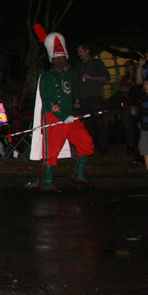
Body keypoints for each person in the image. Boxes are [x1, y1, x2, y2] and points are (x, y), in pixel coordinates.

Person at [30, 29, 94, 190]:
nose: (59, 60)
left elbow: (69, 97)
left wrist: (73, 109)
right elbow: (48, 100)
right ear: (52, 59)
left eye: (61, 57)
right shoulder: (46, 76)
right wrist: (62, 115)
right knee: (51, 151)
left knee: (86, 142)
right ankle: (47, 182)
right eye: (56, 57)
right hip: (53, 117)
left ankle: (78, 174)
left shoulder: (67, 77)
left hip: (70, 117)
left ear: (66, 58)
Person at [74, 44, 110, 154]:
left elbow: (106, 77)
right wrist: (77, 100)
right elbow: (76, 84)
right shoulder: (78, 66)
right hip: (84, 99)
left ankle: (103, 149)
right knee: (86, 125)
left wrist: (92, 78)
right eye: (78, 52)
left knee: (99, 124)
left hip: (95, 98)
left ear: (87, 51)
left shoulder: (97, 63)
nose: (79, 54)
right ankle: (88, 148)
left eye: (81, 51)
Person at [133, 76, 148, 171]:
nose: (145, 86)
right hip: (146, 128)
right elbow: (140, 113)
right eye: (144, 84)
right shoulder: (143, 99)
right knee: (146, 148)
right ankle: (147, 167)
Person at [119, 61, 138, 156]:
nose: (128, 67)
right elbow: (123, 89)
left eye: (130, 65)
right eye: (126, 66)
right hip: (127, 102)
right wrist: (130, 86)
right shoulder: (125, 78)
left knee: (135, 123)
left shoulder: (137, 76)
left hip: (135, 102)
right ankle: (130, 144)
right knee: (127, 124)